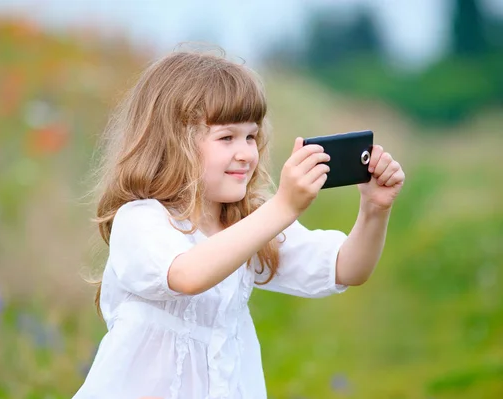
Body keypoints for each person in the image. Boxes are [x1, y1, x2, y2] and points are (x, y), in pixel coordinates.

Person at [73, 46, 405, 399]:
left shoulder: (245, 220)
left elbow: (345, 268)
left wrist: (374, 209)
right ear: (174, 142)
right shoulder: (140, 220)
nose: (247, 153)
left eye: (251, 136)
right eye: (226, 137)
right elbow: (187, 275)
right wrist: (282, 208)